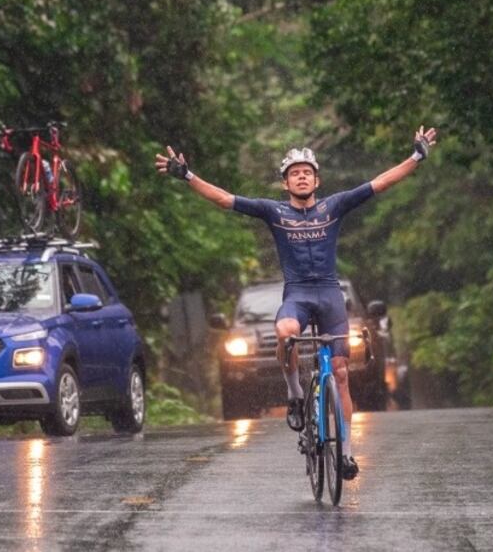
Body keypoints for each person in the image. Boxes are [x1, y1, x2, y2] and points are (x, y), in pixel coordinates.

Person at [156, 126, 437, 479]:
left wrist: (416, 157)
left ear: (316, 180)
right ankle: (295, 394)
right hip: (299, 295)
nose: (301, 177)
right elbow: (224, 199)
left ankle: (346, 453)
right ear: (285, 183)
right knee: (285, 331)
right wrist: (188, 176)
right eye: (294, 174)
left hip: (330, 296)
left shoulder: (333, 206)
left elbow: (380, 183)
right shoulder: (273, 212)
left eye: (306, 172)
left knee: (341, 374)